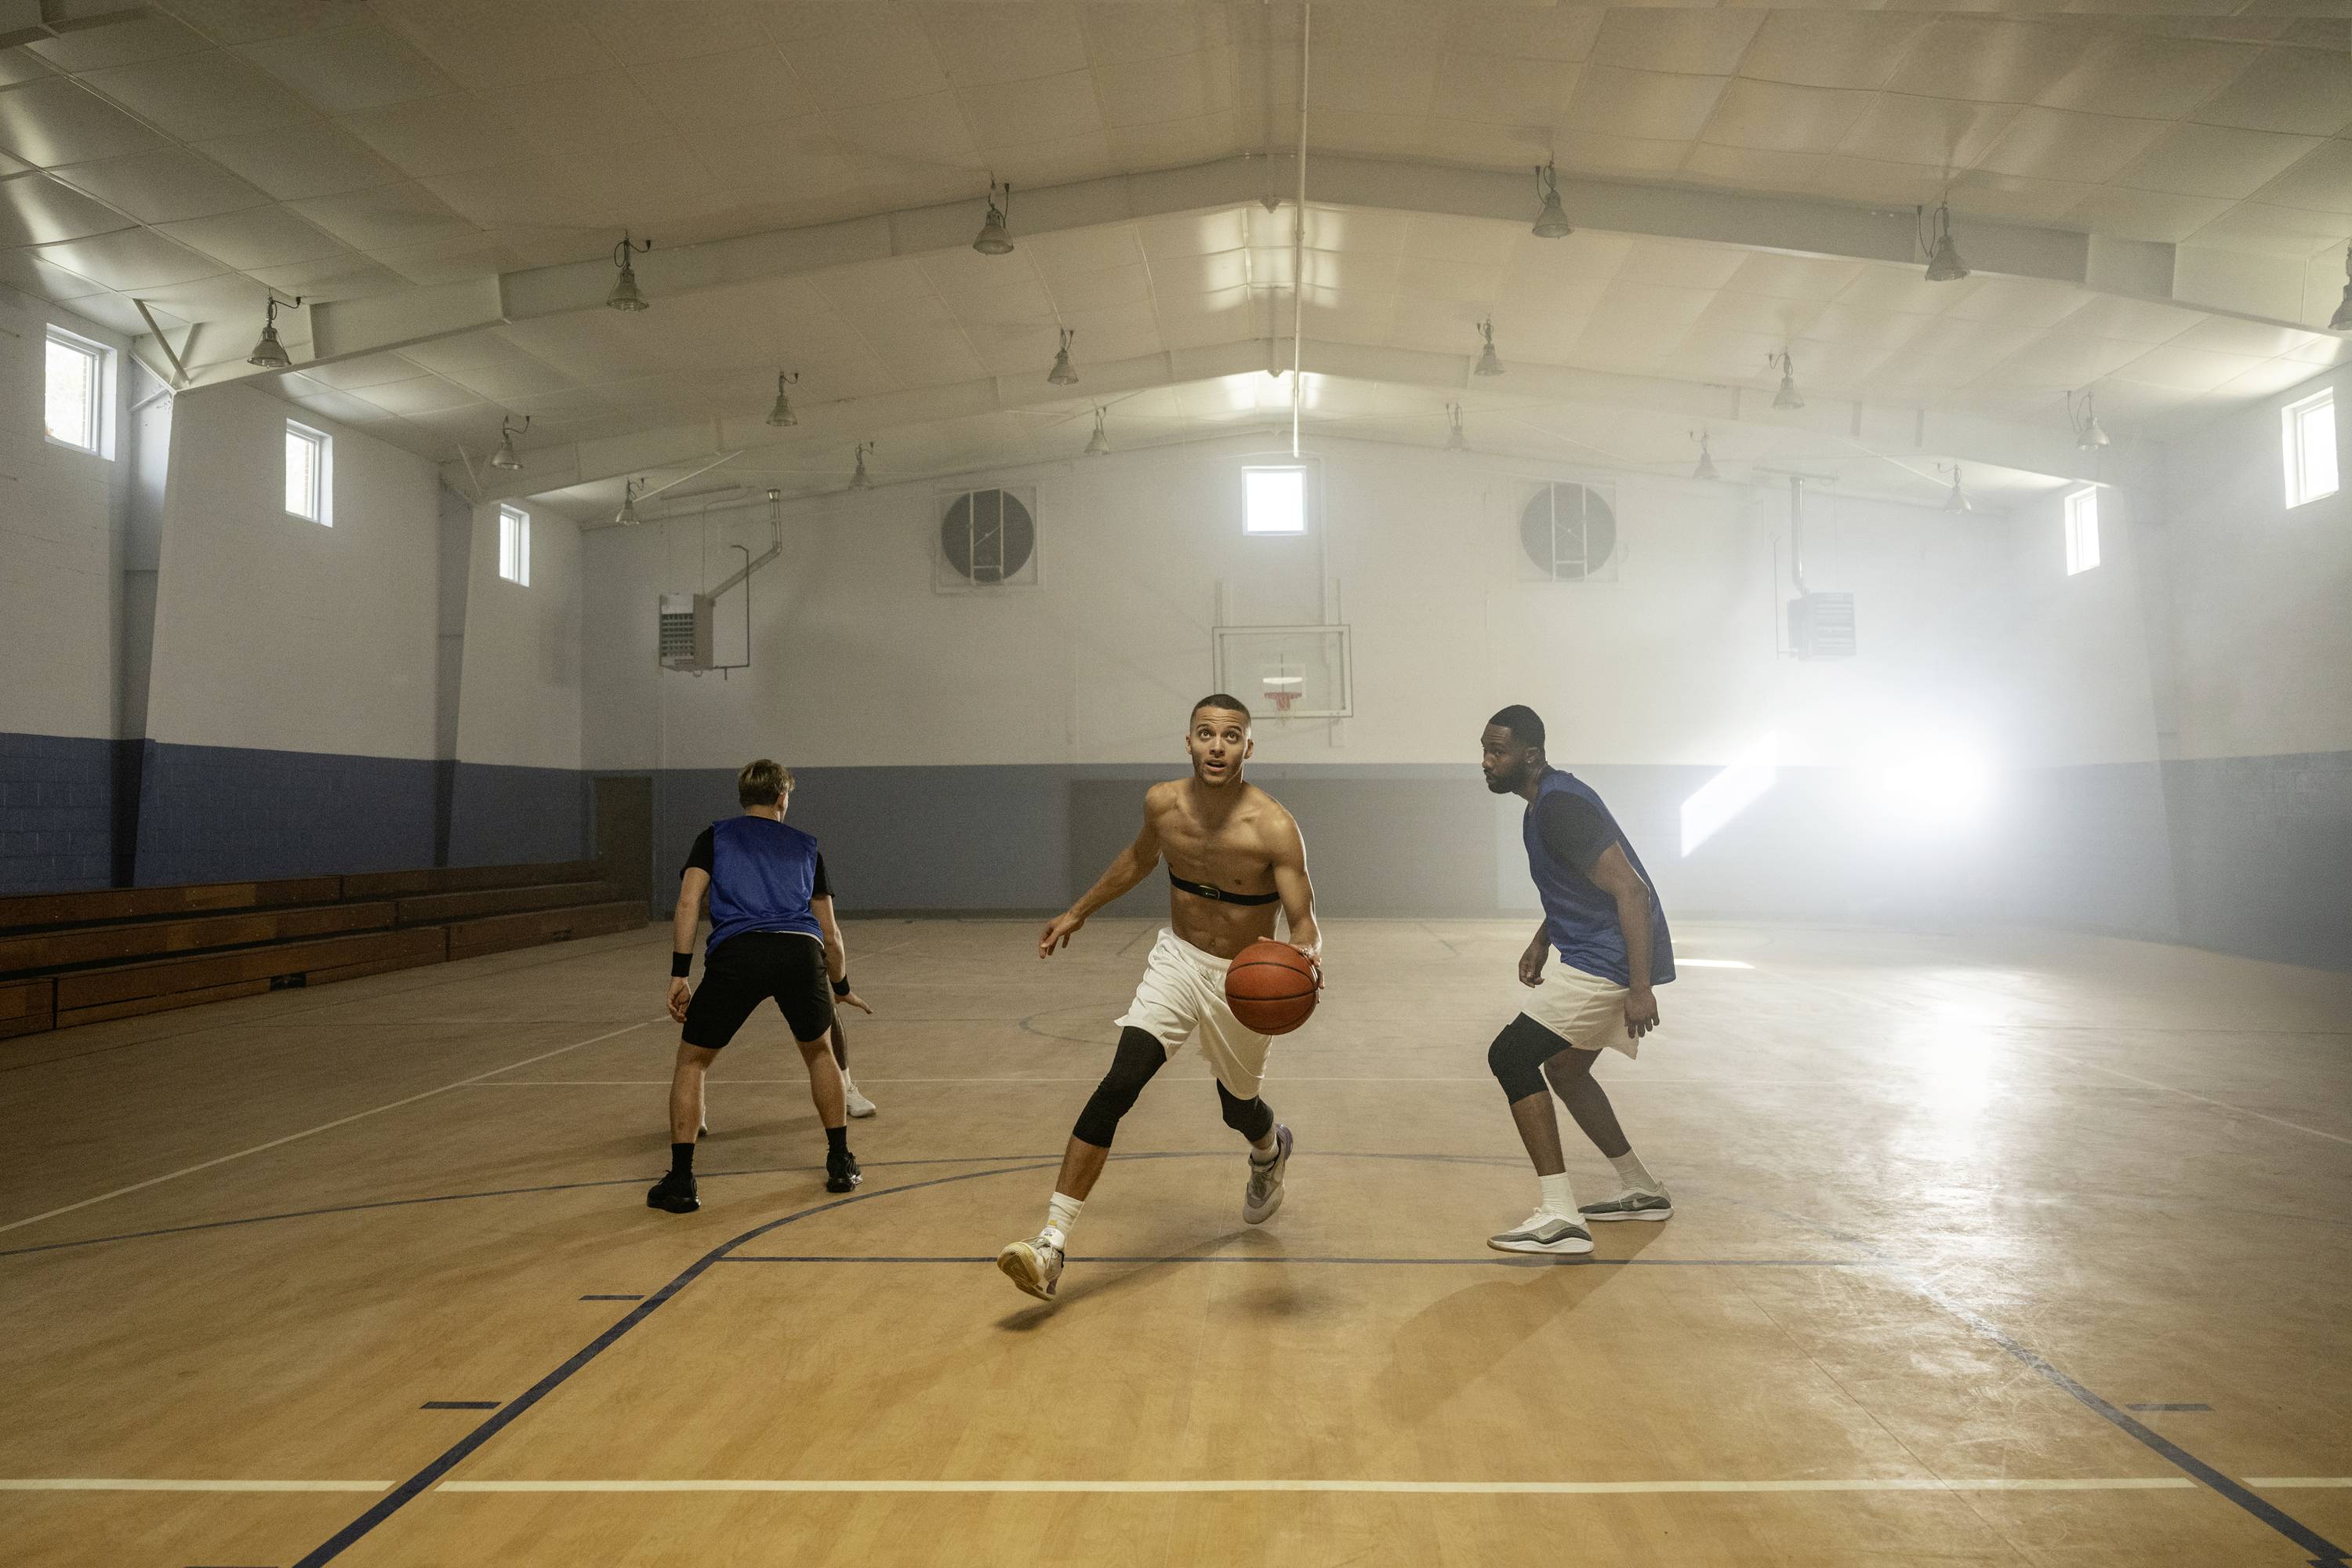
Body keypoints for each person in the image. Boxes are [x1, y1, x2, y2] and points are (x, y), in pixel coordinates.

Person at [995, 695, 1322, 1302]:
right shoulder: (1163, 804)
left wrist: (1305, 953)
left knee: (1237, 1108)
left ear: (1248, 748)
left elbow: (1303, 921)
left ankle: (1269, 1147)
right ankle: (1050, 1244)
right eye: (1206, 734)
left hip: (1244, 978)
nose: (1217, 746)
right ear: (1189, 741)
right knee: (1119, 1082)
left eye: (1231, 736)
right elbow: (1139, 858)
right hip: (1178, 960)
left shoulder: (1274, 826)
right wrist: (1078, 911)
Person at [1477, 706, 1675, 1254]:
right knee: (1565, 1068)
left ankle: (1560, 1217)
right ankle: (1641, 1188)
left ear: (1531, 756)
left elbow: (1631, 890)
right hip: (1598, 952)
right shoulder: (1543, 803)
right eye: (1485, 751)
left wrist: (1640, 988)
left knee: (1510, 1056)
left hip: (1609, 959)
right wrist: (1543, 938)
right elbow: (1579, 883)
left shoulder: (1560, 806)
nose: (1487, 762)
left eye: (1498, 752)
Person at [648, 759, 872, 1214]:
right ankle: (839, 1162)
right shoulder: (807, 846)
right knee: (820, 1054)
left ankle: (682, 1180)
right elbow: (831, 934)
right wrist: (841, 984)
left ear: (743, 797)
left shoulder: (714, 837)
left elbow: (688, 903)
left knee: (693, 1060)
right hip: (799, 952)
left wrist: (679, 973)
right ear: (782, 797)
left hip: (739, 952)